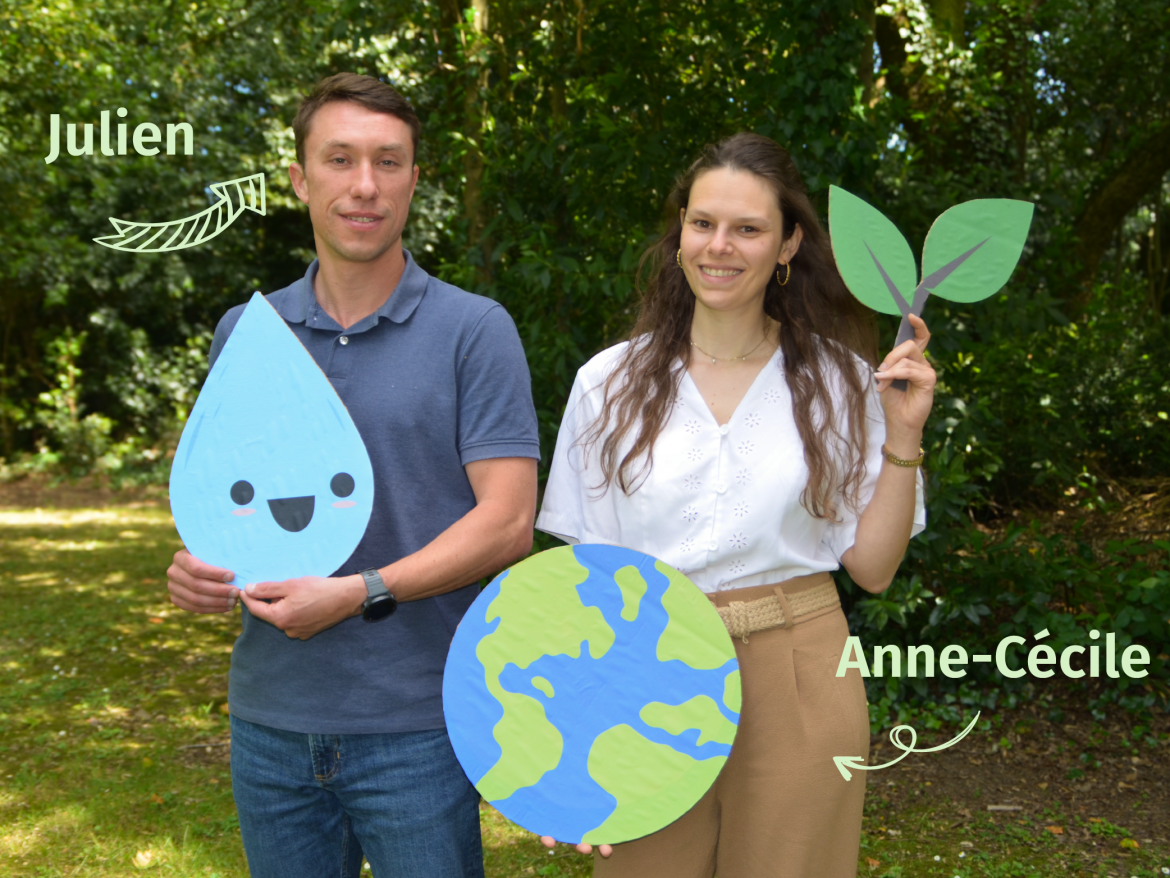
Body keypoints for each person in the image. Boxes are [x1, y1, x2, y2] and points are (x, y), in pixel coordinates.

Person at [165, 73, 540, 878]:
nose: (364, 186)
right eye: (339, 160)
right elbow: (238, 506)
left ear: (413, 178)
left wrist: (362, 591)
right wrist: (201, 572)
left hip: (420, 726)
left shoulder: (474, 330)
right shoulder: (247, 331)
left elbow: (508, 522)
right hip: (269, 723)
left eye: (388, 162)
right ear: (301, 179)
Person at [535, 133, 933, 878]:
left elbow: (874, 570)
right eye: (702, 223)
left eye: (748, 229)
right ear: (679, 232)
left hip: (800, 674)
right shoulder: (606, 383)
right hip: (643, 671)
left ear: (788, 246)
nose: (720, 246)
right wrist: (567, 740)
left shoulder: (844, 383)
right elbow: (584, 575)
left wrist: (903, 437)